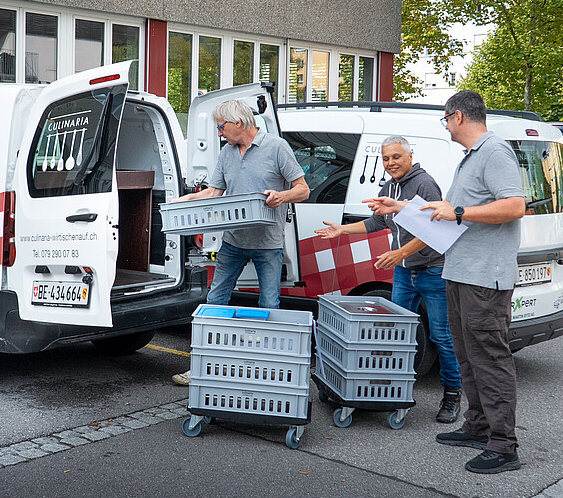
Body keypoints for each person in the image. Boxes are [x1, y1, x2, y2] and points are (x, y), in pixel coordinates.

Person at [368, 90, 525, 474]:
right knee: (468, 356)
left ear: (456, 117)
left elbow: (514, 205)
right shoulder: (471, 158)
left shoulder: (494, 152)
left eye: (445, 120)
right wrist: (401, 207)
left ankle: (504, 446)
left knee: (490, 359)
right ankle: (478, 426)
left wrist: (458, 210)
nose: (446, 126)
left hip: (484, 278)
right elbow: (444, 213)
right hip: (459, 273)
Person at [315, 135, 462, 424]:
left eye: (396, 157)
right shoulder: (389, 186)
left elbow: (435, 230)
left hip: (433, 271)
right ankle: (394, 390)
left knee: (441, 337)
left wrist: (400, 253)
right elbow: (377, 222)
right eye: (385, 158)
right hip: (405, 272)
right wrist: (341, 231)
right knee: (396, 334)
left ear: (409, 156)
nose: (390, 163)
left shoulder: (424, 183)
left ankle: (452, 395)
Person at [172, 99, 309, 386]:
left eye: (221, 127)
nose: (219, 133)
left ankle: (264, 367)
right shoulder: (226, 153)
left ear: (238, 123)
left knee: (269, 306)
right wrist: (184, 200)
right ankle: (202, 364)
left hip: (268, 243)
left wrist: (281, 197)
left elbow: (302, 189)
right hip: (233, 241)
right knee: (214, 301)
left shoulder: (276, 147)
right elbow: (214, 192)